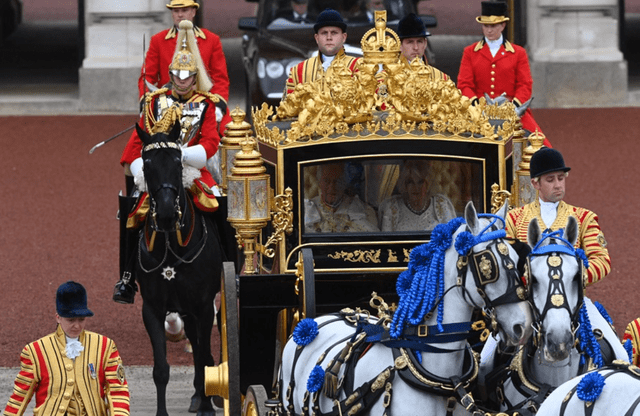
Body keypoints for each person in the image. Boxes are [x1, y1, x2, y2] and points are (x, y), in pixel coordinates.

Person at [113, 20, 223, 304]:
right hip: (157, 171)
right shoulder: (154, 102)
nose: (181, 79)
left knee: (219, 203)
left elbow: (210, 142)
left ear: (194, 75)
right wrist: (142, 169)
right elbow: (134, 148)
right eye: (176, 74)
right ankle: (126, 276)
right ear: (171, 73)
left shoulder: (206, 103)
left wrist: (182, 155)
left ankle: (227, 268)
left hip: (192, 170)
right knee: (132, 208)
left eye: (187, 75)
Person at [4, 281, 130, 416]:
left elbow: (118, 390)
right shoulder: (35, 351)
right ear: (58, 317)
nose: (77, 326)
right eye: (71, 320)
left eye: (81, 319)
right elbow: (20, 396)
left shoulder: (105, 346)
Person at [506, 147, 610, 285]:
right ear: (535, 183)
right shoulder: (513, 218)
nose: (558, 185)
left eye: (561, 178)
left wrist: (573, 276)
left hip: (570, 299)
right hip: (526, 299)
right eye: (550, 180)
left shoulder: (585, 218)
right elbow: (504, 260)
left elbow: (601, 259)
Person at [457, 1, 551, 147]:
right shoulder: (470, 52)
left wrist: (514, 108)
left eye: (493, 26)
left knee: (542, 146)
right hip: (479, 112)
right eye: (486, 26)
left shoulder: (518, 53)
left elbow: (525, 84)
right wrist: (478, 107)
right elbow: (464, 85)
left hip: (512, 111)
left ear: (502, 25)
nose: (489, 30)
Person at [139, 0, 229, 124]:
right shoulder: (158, 40)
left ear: (193, 12)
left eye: (184, 10)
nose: (180, 15)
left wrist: (218, 106)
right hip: (168, 105)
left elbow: (220, 79)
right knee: (138, 140)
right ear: (172, 14)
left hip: (204, 102)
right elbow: (147, 77)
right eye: (176, 11)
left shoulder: (211, 40)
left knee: (229, 136)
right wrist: (146, 102)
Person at [284, 8, 360, 96]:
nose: (329, 37)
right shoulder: (298, 72)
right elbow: (288, 107)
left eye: (334, 33)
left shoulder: (358, 68)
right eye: (324, 33)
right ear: (317, 38)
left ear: (343, 37)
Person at [378, 160, 456, 232]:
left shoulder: (441, 204)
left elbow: (453, 238)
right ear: (405, 185)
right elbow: (386, 242)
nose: (416, 187)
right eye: (410, 182)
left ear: (428, 185)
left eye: (421, 182)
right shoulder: (392, 207)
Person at [305, 162, 379, 233]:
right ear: (319, 182)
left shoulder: (365, 211)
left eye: (337, 181)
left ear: (344, 183)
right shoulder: (306, 209)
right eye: (327, 181)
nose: (332, 188)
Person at [396, 13, 447, 80]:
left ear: (425, 43)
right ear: (399, 45)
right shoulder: (388, 78)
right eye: (410, 42)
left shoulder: (440, 78)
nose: (416, 47)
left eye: (419, 41)